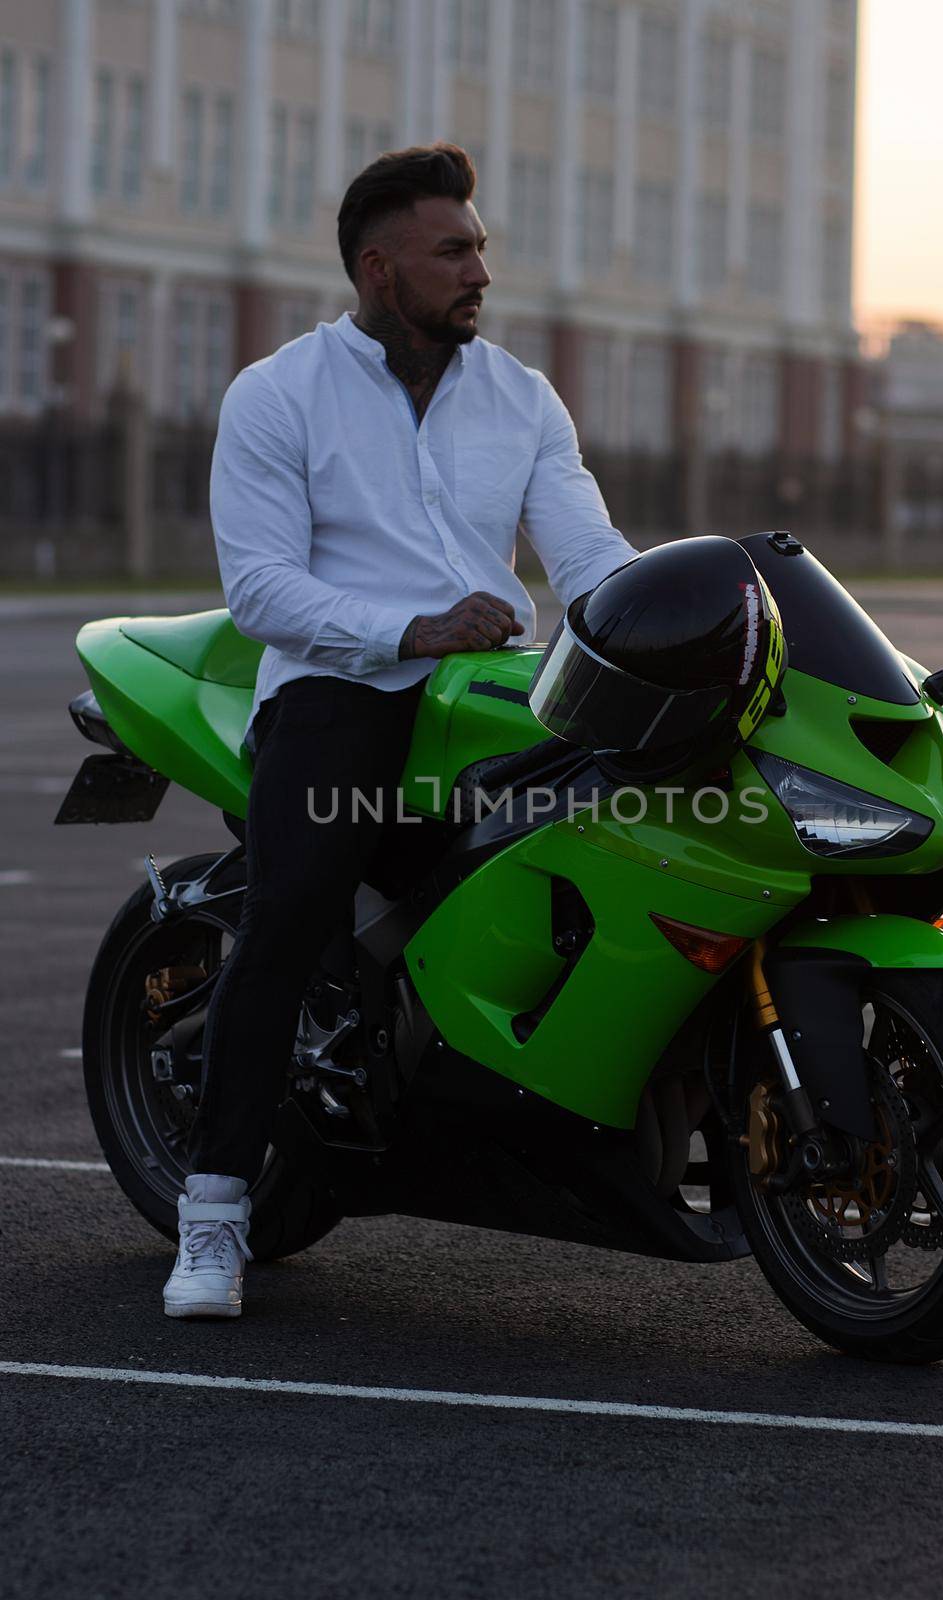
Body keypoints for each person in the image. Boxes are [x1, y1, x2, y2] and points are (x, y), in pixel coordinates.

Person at [163, 141, 640, 1319]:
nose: (479, 268)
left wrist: (668, 618)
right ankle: (216, 1212)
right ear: (380, 271)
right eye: (453, 250)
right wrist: (410, 626)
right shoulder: (278, 393)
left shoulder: (521, 398)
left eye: (479, 247)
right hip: (339, 688)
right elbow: (262, 590)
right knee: (288, 918)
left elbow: (588, 558)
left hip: (492, 693)